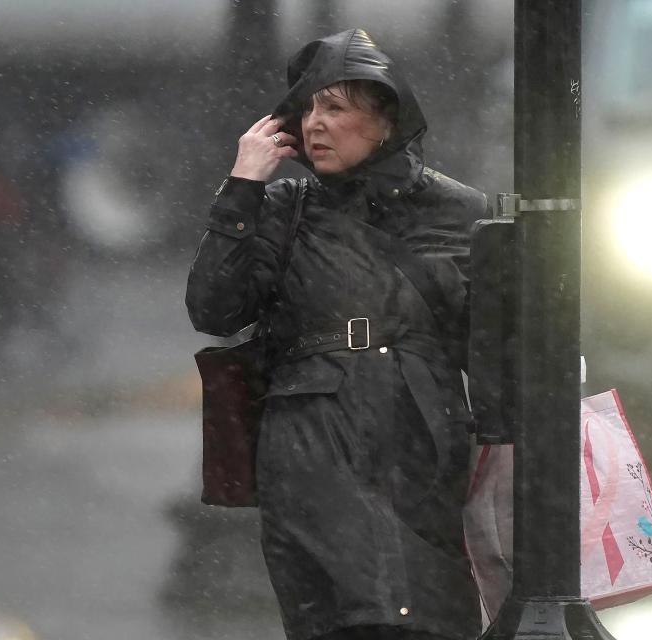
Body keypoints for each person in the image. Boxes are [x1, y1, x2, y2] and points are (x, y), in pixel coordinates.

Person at [186, 29, 488, 640]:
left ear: (384, 119)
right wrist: (243, 184)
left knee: (420, 619)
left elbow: (498, 349)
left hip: (418, 452)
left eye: (336, 107)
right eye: (308, 109)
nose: (316, 124)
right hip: (307, 457)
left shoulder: (461, 213)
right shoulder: (283, 208)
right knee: (341, 620)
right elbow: (213, 309)